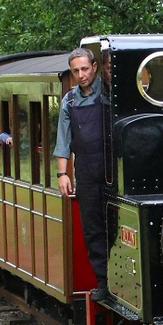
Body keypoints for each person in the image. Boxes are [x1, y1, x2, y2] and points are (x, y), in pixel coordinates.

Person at [54, 48, 111, 302]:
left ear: (95, 67)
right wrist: (62, 174)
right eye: (76, 71)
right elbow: (63, 141)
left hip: (112, 172)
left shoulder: (111, 94)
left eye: (84, 69)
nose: (81, 75)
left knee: (116, 228)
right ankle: (104, 282)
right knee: (93, 230)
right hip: (86, 173)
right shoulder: (69, 102)